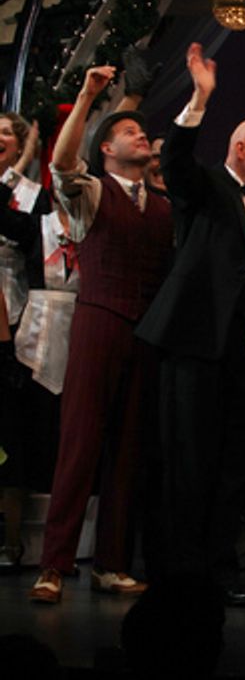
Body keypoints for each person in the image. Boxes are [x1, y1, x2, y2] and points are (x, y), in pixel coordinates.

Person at [136, 43, 245, 607]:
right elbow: (175, 160)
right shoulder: (205, 187)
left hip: (242, 355)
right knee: (187, 462)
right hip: (193, 346)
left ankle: (219, 572)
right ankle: (180, 576)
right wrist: (199, 97)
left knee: (230, 466)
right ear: (239, 150)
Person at [30, 66, 173, 605]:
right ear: (107, 149)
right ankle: (54, 564)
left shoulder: (162, 206)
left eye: (143, 132)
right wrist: (89, 95)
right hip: (99, 320)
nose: (141, 136)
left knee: (128, 450)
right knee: (81, 442)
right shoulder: (92, 192)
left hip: (145, 331)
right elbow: (63, 163)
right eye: (130, 132)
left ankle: (110, 563)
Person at [0, 112, 56, 573]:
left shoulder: (34, 198)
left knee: (9, 435)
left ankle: (12, 542)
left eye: (6, 132)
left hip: (13, 317)